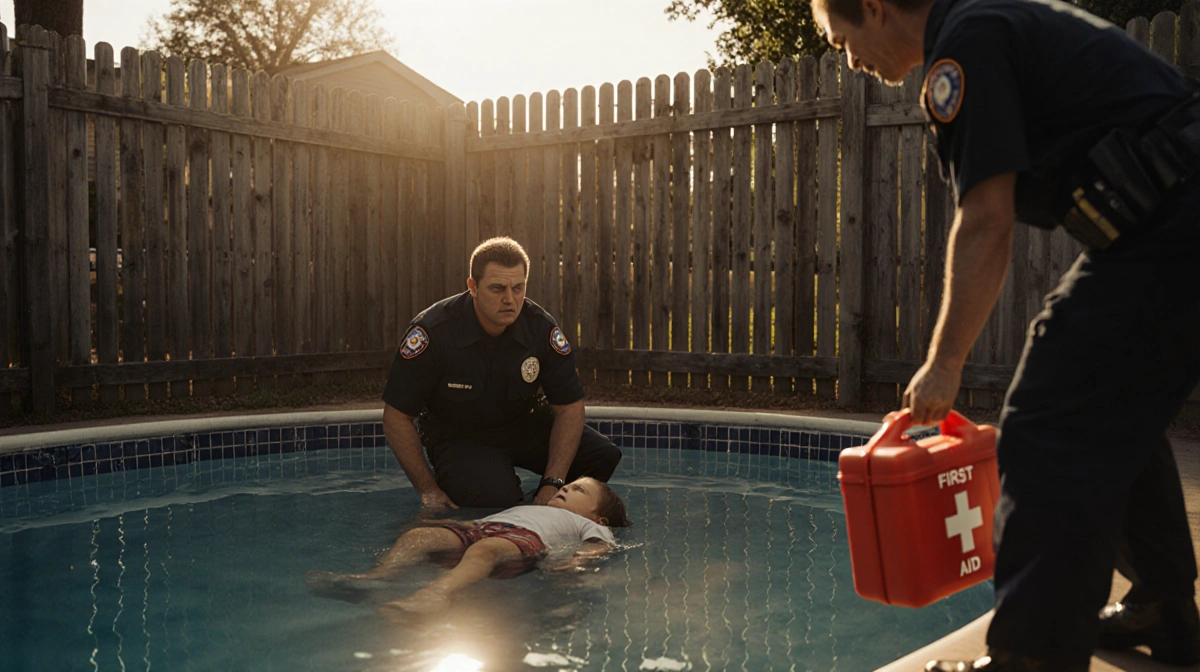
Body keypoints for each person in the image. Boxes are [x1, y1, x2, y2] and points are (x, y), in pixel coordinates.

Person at [810, 0, 1200, 669]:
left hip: (1176, 222)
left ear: (873, 9)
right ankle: (1163, 608)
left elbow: (986, 217)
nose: (849, 59)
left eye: (841, 39)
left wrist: (943, 362)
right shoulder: (986, 23)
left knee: (1049, 422)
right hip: (1165, 221)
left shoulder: (964, 49)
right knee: (1103, 399)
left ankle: (1031, 657)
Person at [381, 236, 623, 510]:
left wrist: (552, 483)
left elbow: (569, 407)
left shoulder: (540, 329)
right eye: (497, 288)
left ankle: (547, 514)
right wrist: (429, 491)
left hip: (521, 425)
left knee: (603, 456)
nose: (510, 299)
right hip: (461, 437)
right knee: (496, 501)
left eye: (518, 288)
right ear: (472, 286)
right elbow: (396, 417)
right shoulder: (433, 333)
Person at [305, 476, 631, 617]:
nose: (566, 489)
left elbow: (597, 548)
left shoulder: (588, 526)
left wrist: (579, 561)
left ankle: (436, 594)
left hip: (521, 542)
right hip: (481, 529)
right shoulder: (537, 508)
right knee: (418, 538)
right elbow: (480, 525)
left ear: (598, 517)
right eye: (569, 485)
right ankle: (377, 579)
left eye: (577, 491)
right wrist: (445, 528)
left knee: (484, 551)